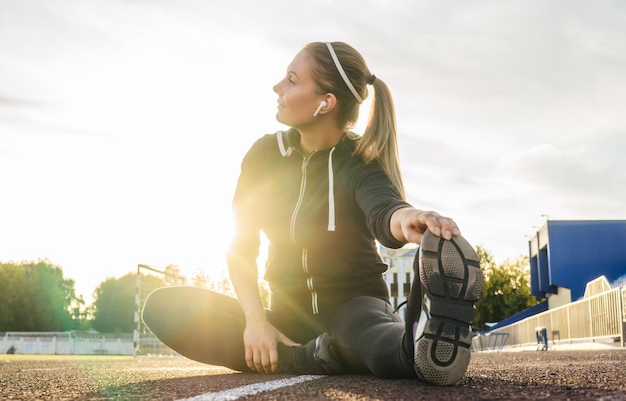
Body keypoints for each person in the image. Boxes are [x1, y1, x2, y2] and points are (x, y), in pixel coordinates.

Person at [142, 41, 483, 385]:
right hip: (286, 316)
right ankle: (305, 356)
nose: (278, 87)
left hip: (355, 309)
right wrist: (256, 321)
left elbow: (385, 209)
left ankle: (418, 335)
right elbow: (240, 246)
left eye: (291, 79)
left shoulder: (359, 160)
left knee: (390, 352)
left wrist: (409, 218)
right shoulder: (264, 155)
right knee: (163, 308)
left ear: (325, 103)